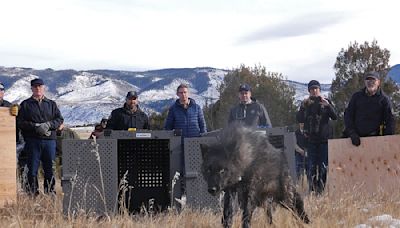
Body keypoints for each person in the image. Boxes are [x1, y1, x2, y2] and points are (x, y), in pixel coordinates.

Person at [17, 78, 64, 196]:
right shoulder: (25, 104)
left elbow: (59, 119)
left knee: (49, 169)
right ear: (31, 88)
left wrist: (48, 125)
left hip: (49, 141)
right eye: (35, 86)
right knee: (32, 169)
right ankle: (32, 193)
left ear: (43, 88)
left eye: (40, 86)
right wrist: (35, 126)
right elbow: (20, 122)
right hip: (33, 141)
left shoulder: (51, 104)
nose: (38, 88)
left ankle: (50, 193)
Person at [296, 80, 337, 195]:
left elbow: (335, 117)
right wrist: (302, 108)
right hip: (311, 141)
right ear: (309, 91)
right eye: (312, 89)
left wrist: (328, 106)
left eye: (316, 89)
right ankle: (312, 190)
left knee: (323, 167)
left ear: (319, 90)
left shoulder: (326, 101)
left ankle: (321, 191)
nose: (314, 91)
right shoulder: (306, 103)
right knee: (311, 167)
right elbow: (299, 119)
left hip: (324, 140)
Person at [344, 71, 395, 146]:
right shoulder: (356, 97)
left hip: (374, 140)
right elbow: (348, 116)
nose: (370, 82)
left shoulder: (384, 100)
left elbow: (390, 121)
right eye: (368, 80)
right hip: (354, 139)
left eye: (373, 80)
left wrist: (386, 140)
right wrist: (352, 133)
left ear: (378, 82)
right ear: (365, 82)